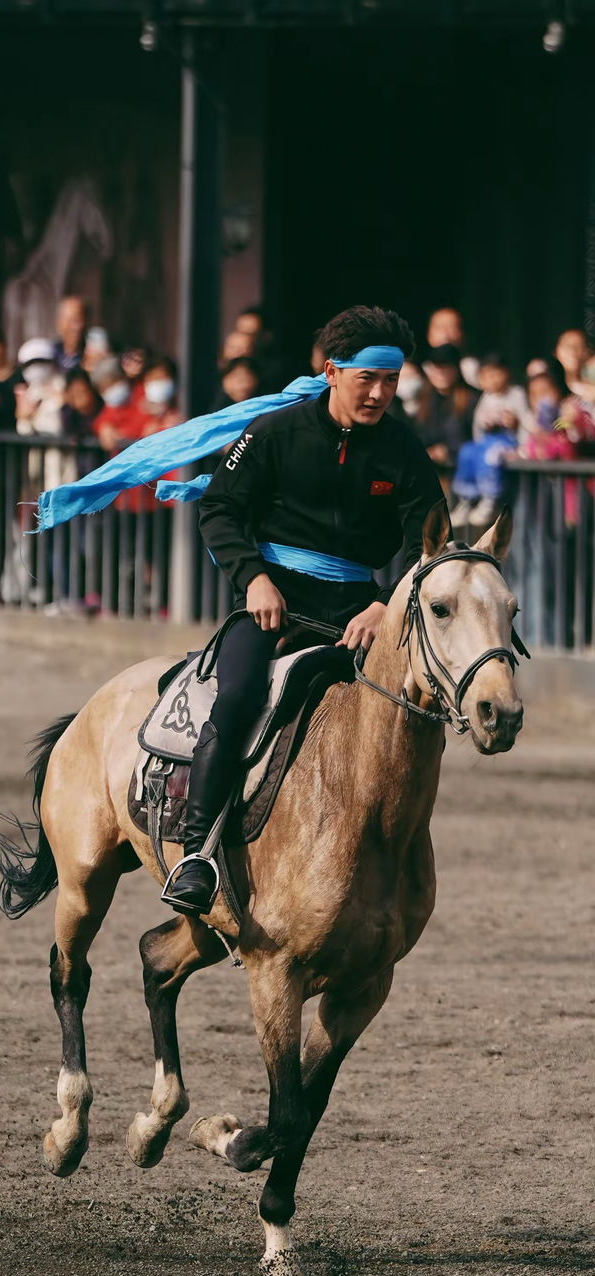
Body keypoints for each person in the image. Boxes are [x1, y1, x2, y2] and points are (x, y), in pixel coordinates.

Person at [165, 304, 448, 916]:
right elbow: (218, 509)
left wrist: (385, 605)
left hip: (359, 612)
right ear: (331, 371)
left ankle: (382, 859)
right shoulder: (274, 433)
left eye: (391, 381)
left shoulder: (402, 449)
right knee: (237, 699)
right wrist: (255, 580)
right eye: (366, 379)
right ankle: (196, 855)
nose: (379, 394)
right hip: (271, 606)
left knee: (409, 712)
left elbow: (428, 539)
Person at [449, 354, 528, 527]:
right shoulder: (486, 396)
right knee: (467, 451)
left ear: (506, 373)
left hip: (508, 441)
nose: (491, 380)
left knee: (491, 455)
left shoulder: (516, 393)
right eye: (486, 376)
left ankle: (489, 499)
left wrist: (515, 426)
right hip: (487, 440)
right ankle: (466, 499)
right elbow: (477, 423)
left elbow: (526, 419)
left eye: (495, 374)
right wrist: (486, 423)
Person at [414, 344, 478, 470]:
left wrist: (447, 451)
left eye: (446, 368)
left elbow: (475, 438)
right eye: (436, 368)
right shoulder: (423, 398)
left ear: (457, 370)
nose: (441, 373)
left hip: (461, 471)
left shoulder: (472, 399)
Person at [426, 307, 480, 389]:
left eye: (452, 327)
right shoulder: (420, 371)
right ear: (429, 335)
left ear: (462, 334)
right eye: (439, 328)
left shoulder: (473, 371)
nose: (445, 334)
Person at [52, 297, 86, 373]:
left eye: (78, 320)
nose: (76, 327)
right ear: (59, 324)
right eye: (69, 321)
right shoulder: (49, 354)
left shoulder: (91, 358)